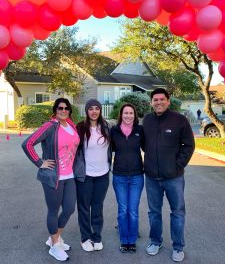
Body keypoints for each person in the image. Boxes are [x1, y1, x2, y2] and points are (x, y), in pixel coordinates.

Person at [22, 98, 80, 262]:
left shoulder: (71, 125)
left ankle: (55, 237)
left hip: (70, 176)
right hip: (54, 177)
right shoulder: (50, 126)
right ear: (55, 110)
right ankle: (55, 246)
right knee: (53, 210)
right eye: (60, 108)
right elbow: (28, 144)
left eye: (66, 108)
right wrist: (40, 163)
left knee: (69, 209)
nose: (63, 110)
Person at [142, 88, 195, 262]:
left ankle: (178, 246)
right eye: (155, 100)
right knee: (154, 212)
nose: (158, 102)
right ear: (151, 102)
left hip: (174, 178)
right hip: (151, 177)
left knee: (177, 212)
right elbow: (144, 144)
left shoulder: (179, 120)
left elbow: (188, 146)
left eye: (162, 99)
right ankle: (155, 241)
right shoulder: (147, 120)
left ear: (168, 100)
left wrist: (177, 165)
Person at [75, 99, 112, 252]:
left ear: (100, 110)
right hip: (85, 175)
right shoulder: (80, 128)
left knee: (97, 207)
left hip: (103, 174)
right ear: (87, 111)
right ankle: (85, 237)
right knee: (84, 207)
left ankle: (97, 236)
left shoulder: (107, 127)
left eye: (97, 108)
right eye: (91, 108)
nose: (94, 111)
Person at [110, 103, 144, 253]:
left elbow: (149, 148)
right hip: (119, 176)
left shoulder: (140, 130)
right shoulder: (114, 131)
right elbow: (106, 149)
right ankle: (125, 240)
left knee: (133, 210)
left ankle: (132, 239)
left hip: (137, 176)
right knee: (123, 209)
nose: (128, 116)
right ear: (121, 115)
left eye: (131, 113)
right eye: (125, 113)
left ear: (134, 115)